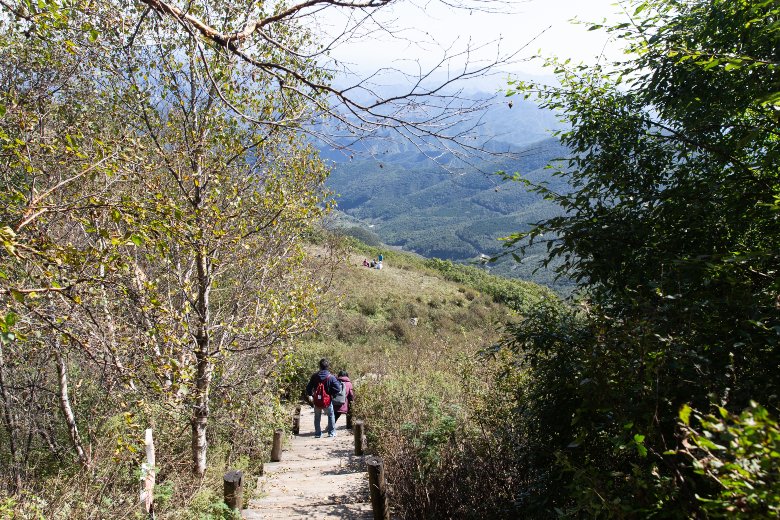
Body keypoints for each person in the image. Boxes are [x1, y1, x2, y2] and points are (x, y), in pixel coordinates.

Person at [305, 358, 342, 438]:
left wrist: (311, 395)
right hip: (327, 401)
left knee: (317, 417)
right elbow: (338, 389)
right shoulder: (331, 377)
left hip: (317, 401)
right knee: (331, 415)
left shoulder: (314, 376)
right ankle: (331, 433)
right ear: (328, 366)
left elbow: (308, 388)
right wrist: (331, 395)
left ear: (320, 366)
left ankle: (318, 433)